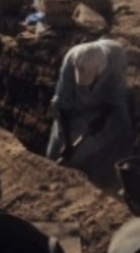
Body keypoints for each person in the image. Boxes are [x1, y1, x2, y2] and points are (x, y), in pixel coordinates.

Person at [45, 39, 133, 180]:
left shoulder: (116, 57)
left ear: (101, 70)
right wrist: (68, 144)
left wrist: (101, 119)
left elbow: (116, 97)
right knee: (56, 151)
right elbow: (62, 104)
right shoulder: (71, 59)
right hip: (75, 106)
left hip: (104, 104)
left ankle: (112, 177)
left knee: (122, 129)